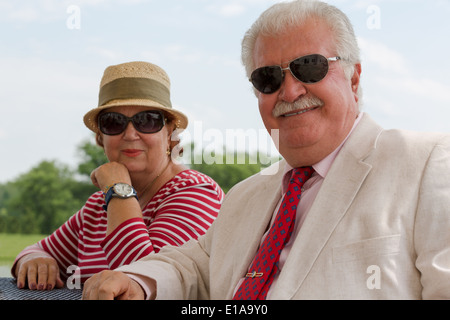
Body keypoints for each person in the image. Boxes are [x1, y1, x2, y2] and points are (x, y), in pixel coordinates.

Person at [82, 0, 450, 300]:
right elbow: (193, 266)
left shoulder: (428, 163)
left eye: (309, 67)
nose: (289, 92)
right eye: (268, 77)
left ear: (354, 77)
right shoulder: (246, 195)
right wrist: (138, 283)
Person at [12, 61, 224, 291]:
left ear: (170, 131)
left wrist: (118, 189)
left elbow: (144, 279)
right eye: (114, 123)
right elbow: (37, 250)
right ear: (100, 137)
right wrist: (35, 262)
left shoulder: (196, 192)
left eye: (148, 120)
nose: (131, 134)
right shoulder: (97, 206)